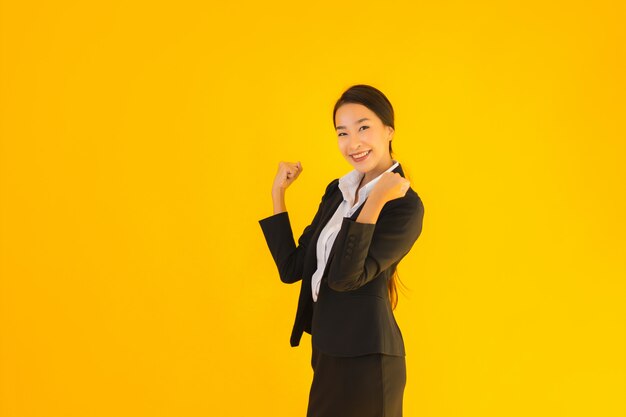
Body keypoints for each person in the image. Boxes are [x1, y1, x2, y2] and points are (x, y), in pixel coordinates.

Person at [258, 84, 425, 417]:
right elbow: (292, 268)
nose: (354, 143)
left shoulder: (405, 206)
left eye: (364, 127)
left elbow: (347, 278)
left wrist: (375, 199)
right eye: (343, 132)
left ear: (389, 130)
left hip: (368, 358)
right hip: (327, 351)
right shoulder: (338, 191)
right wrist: (279, 193)